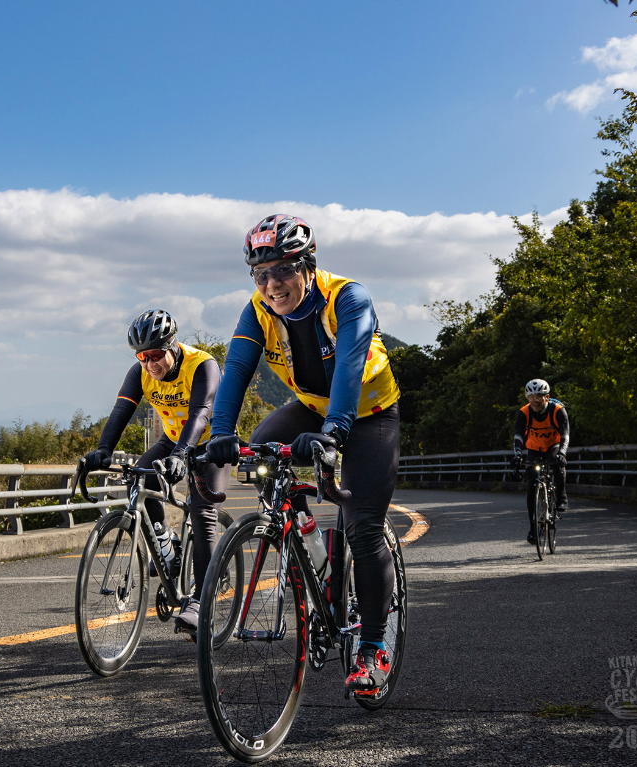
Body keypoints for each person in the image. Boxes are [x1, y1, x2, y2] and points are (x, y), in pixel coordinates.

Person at [205, 214, 401, 696]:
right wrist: (221, 434)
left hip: (370, 413)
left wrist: (335, 434)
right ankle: (305, 540)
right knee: (260, 453)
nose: (272, 284)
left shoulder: (348, 298)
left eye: (284, 270)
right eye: (261, 274)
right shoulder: (258, 309)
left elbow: (350, 366)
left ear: (308, 265)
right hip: (312, 408)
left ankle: (374, 646)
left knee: (362, 527)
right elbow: (235, 370)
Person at [81, 309, 230, 633]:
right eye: (142, 357)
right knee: (138, 480)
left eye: (155, 355)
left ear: (172, 346)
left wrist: (182, 455)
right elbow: (122, 410)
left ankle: (200, 601)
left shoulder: (201, 365)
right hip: (173, 440)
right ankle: (165, 543)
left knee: (203, 512)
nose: (150, 364)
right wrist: (104, 449)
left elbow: (201, 414)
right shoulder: (140, 373)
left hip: (209, 442)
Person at [513, 378, 570, 544]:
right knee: (531, 487)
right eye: (530, 396)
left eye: (539, 396)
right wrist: (517, 454)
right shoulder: (524, 412)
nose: (534, 400)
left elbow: (565, 435)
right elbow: (518, 435)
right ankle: (533, 528)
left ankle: (561, 497)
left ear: (547, 397)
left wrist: (563, 454)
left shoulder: (557, 410)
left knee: (556, 464)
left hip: (554, 445)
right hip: (535, 448)